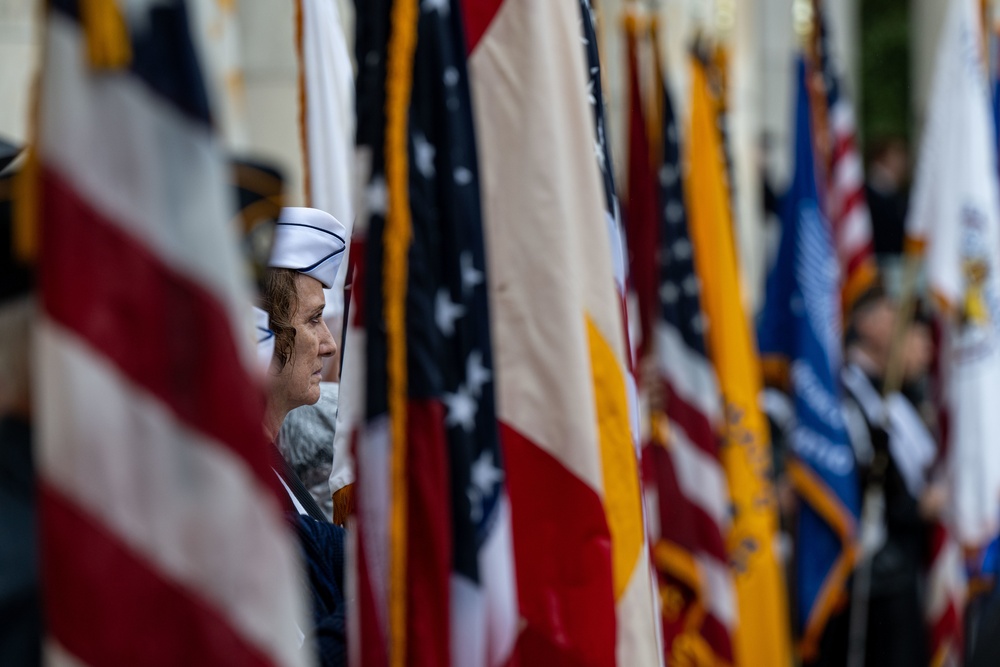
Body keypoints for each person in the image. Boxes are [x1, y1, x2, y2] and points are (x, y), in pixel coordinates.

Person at [261, 206, 348, 666]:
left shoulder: (269, 464)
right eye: (314, 320)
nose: (329, 343)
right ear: (263, 334)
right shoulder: (242, 489)